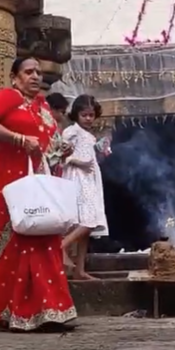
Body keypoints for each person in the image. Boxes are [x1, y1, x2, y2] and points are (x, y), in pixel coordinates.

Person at [0, 56, 77, 332]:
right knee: (17, 248)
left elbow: (47, 149)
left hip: (39, 188)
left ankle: (50, 312)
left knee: (45, 245)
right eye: (28, 72)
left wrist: (60, 151)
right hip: (12, 188)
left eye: (38, 73)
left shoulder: (42, 106)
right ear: (14, 77)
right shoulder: (9, 97)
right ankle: (6, 313)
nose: (35, 77)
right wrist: (19, 139)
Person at [60, 94, 109, 281]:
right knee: (88, 221)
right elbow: (61, 157)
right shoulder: (71, 132)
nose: (88, 118)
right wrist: (79, 162)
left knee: (88, 224)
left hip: (90, 179)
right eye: (84, 115)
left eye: (91, 115)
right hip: (76, 178)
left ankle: (79, 271)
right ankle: (60, 247)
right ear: (76, 115)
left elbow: (92, 158)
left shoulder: (88, 135)